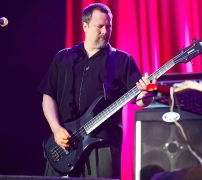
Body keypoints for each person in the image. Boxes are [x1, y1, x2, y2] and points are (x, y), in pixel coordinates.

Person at [38, 3, 155, 178]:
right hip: (63, 145)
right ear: (85, 26)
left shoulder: (122, 60)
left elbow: (140, 99)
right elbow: (48, 96)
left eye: (108, 26)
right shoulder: (64, 57)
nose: (105, 31)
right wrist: (56, 129)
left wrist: (145, 94)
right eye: (99, 26)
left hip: (102, 145)